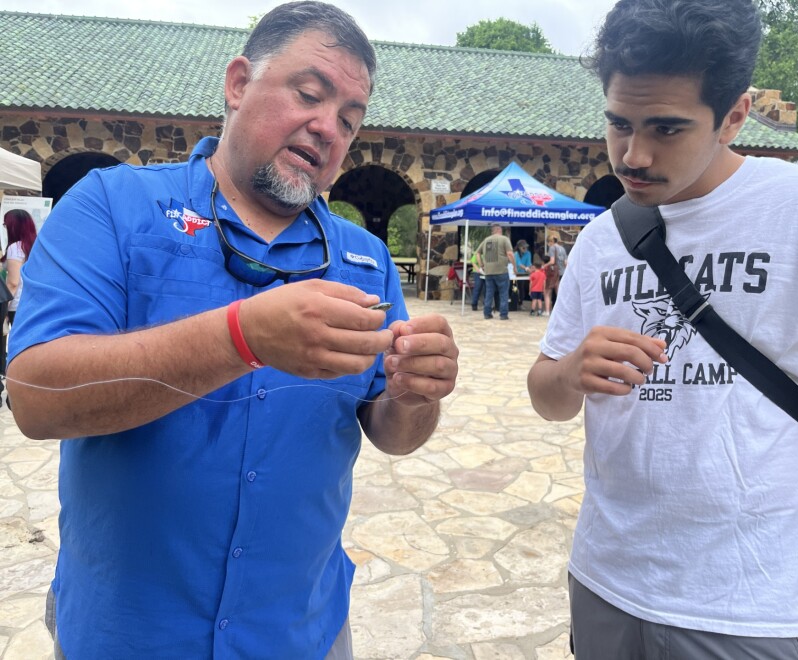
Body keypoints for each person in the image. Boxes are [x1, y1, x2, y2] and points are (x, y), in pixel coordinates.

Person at [6, 3, 459, 658]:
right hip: (126, 634)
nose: (328, 128)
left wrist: (417, 397)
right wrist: (240, 338)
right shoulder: (111, 207)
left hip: (301, 632)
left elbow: (391, 431)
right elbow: (35, 397)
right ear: (239, 83)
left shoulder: (367, 261)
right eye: (310, 94)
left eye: (350, 122)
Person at [527, 1, 798, 658]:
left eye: (666, 128)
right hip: (605, 582)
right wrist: (571, 370)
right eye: (618, 123)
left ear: (735, 115)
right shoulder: (603, 239)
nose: (633, 154)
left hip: (750, 607)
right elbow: (546, 395)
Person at [1, 208, 37, 327]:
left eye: (6, 225)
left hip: (17, 305)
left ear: (13, 227)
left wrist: (4, 307)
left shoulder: (15, 248)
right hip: (34, 302)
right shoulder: (35, 245)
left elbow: (13, 283)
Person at [475, 223, 516, 320]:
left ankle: (487, 313)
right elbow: (510, 254)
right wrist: (514, 266)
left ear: (492, 231)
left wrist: (482, 265)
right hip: (501, 270)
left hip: (489, 272)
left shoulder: (486, 240)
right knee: (503, 293)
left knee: (489, 293)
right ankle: (503, 314)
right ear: (499, 230)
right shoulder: (504, 239)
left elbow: (477, 253)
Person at [544, 235, 566, 314]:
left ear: (551, 241)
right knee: (559, 292)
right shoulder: (562, 248)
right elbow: (565, 262)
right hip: (562, 272)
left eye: (548, 242)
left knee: (548, 291)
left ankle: (547, 311)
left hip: (554, 273)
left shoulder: (552, 248)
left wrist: (544, 266)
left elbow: (552, 261)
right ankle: (562, 310)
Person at [514, 238, 532, 304]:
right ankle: (514, 300)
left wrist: (529, 268)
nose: (525, 249)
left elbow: (529, 263)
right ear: (519, 247)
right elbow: (518, 263)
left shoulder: (528, 253)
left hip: (522, 273)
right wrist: (526, 268)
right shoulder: (516, 254)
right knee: (514, 287)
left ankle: (521, 300)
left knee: (521, 286)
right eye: (523, 248)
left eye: (526, 247)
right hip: (515, 273)